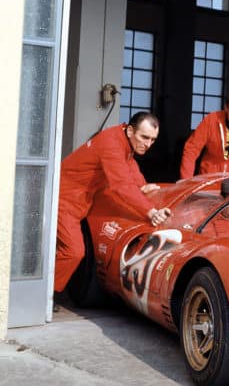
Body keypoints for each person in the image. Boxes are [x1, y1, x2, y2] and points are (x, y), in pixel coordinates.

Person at [55, 112, 172, 293]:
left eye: (153, 140)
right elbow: (122, 184)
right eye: (145, 137)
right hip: (66, 198)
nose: (148, 144)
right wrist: (150, 211)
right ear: (131, 130)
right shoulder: (110, 143)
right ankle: (45, 296)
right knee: (74, 252)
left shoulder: (122, 139)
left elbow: (129, 166)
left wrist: (143, 186)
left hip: (82, 199)